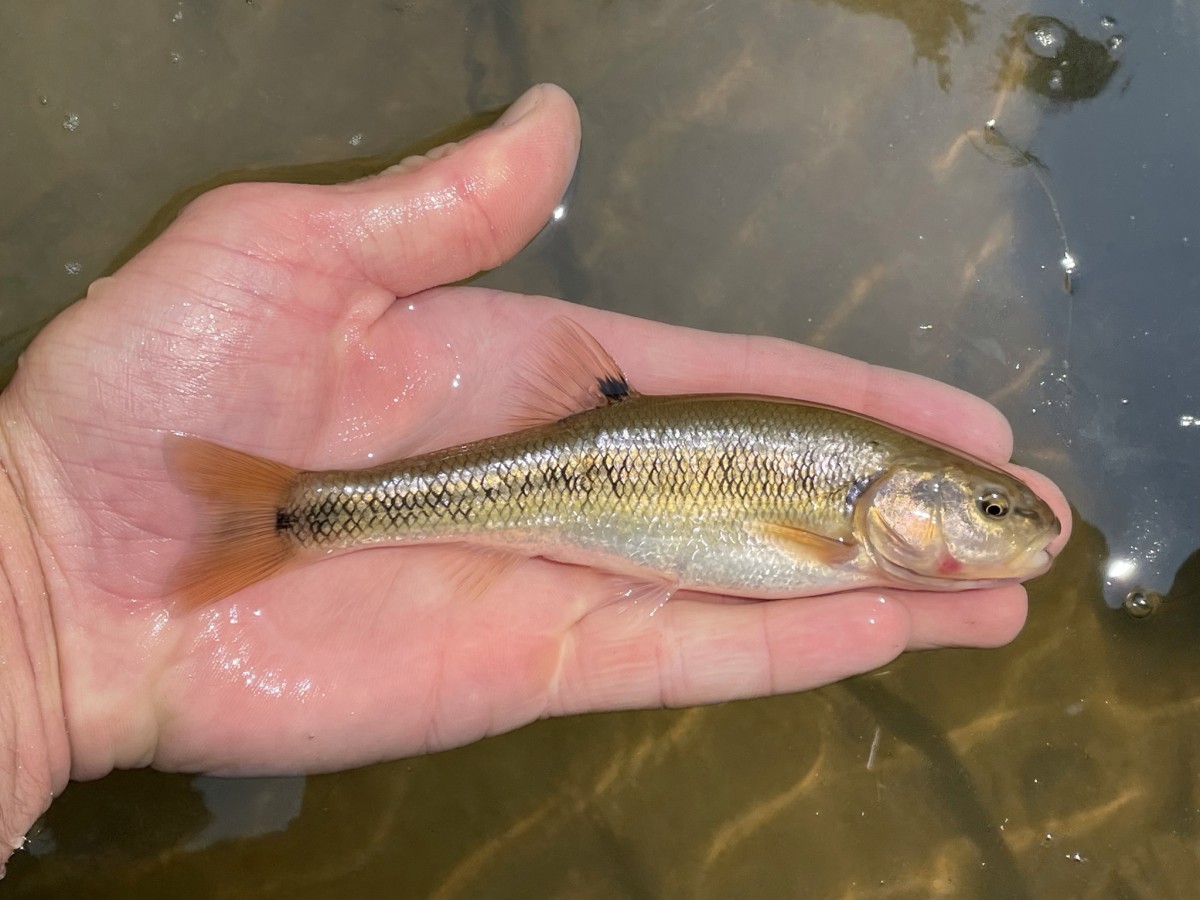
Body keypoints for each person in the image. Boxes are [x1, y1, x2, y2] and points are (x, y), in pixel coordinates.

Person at [0, 84, 1069, 869]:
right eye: (988, 509)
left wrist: (41, 602)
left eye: (996, 510)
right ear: (910, 500)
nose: (1010, 529)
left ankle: (308, 514)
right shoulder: (838, 532)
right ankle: (310, 513)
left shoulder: (852, 518)